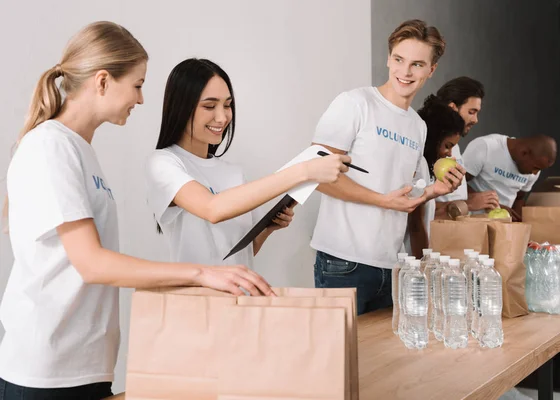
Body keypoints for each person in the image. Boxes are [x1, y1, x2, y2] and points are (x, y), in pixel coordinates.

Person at [0, 22, 337, 400]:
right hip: (47, 368)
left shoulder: (81, 151)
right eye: (138, 84)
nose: (141, 99)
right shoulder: (51, 146)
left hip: (85, 363)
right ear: (102, 81)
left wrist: (262, 231)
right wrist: (201, 273)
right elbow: (92, 263)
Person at [310, 19, 465, 315]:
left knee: (383, 361)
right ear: (388, 58)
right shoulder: (355, 104)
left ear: (431, 70)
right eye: (398, 59)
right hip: (343, 262)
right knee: (341, 359)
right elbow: (316, 175)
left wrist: (435, 190)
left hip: (392, 264)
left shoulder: (418, 127)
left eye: (417, 64)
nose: (405, 72)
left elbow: (405, 193)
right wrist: (382, 201)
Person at [145, 58, 349, 267]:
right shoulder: (163, 163)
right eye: (209, 106)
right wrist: (304, 171)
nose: (223, 117)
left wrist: (268, 228)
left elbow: (243, 253)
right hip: (197, 298)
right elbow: (213, 209)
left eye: (227, 105)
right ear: (181, 108)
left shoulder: (233, 173)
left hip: (241, 297)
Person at [404, 95, 466, 254]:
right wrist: (423, 264)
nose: (449, 153)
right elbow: (416, 225)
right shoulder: (420, 165)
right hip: (409, 257)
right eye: (447, 145)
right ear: (434, 137)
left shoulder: (423, 166)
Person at [434, 77, 500, 218]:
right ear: (452, 108)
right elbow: (418, 207)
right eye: (471, 112)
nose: (476, 120)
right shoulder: (428, 146)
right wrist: (468, 203)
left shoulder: (454, 147)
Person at [463, 134, 557, 221]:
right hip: (471, 222)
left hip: (503, 225)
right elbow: (457, 184)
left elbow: (519, 198)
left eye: (539, 170)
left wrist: (518, 222)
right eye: (535, 168)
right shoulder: (485, 147)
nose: (535, 173)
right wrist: (494, 205)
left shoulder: (533, 170)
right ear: (524, 153)